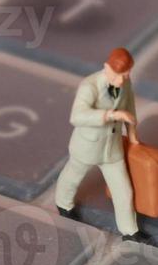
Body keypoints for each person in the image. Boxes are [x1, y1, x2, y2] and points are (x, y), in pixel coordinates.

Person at [53, 47, 147, 241]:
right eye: (117, 74)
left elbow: (130, 110)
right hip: (87, 145)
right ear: (106, 67)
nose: (121, 80)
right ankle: (63, 204)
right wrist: (111, 115)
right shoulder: (90, 86)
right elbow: (77, 116)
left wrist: (132, 136)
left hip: (112, 149)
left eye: (126, 74)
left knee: (123, 190)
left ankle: (130, 231)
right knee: (73, 176)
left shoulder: (125, 84)